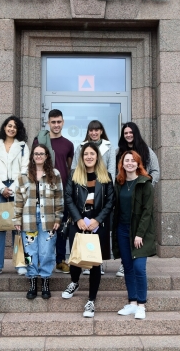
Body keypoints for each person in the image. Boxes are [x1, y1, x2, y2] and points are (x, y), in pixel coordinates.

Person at [61, 142, 114, 318]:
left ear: (97, 156)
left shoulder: (105, 176)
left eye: (92, 154)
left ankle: (91, 300)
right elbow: (68, 198)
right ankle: (74, 282)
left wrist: (97, 219)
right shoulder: (74, 174)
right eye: (86, 154)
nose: (89, 157)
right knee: (76, 259)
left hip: (97, 224)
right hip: (78, 222)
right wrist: (77, 218)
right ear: (82, 157)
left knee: (94, 263)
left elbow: (110, 201)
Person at [13, 144, 63, 299]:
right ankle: (33, 282)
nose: (39, 156)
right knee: (30, 252)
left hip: (48, 218)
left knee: (47, 251)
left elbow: (59, 198)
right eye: (36, 154)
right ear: (32, 156)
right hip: (28, 218)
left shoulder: (54, 174)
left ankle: (46, 282)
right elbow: (18, 199)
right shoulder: (23, 175)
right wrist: (17, 218)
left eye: (41, 153)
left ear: (47, 156)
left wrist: (58, 217)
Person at [112, 150, 155, 320]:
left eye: (132, 160)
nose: (129, 163)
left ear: (138, 164)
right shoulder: (119, 183)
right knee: (128, 267)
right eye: (126, 160)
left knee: (139, 267)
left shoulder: (145, 183)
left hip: (139, 232)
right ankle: (132, 302)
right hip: (122, 230)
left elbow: (147, 212)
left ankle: (141, 305)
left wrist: (139, 234)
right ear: (122, 164)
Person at [114, 121, 160, 278]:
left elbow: (156, 170)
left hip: (140, 196)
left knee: (139, 227)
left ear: (135, 133)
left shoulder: (146, 150)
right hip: (124, 192)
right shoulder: (118, 151)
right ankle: (124, 263)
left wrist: (145, 185)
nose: (128, 135)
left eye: (130, 132)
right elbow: (114, 171)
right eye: (125, 133)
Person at [0, 115, 30, 277]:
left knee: (17, 227)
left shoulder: (23, 146)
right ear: (4, 127)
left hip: (17, 188)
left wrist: (11, 189)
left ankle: (20, 264)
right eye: (9, 125)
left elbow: (25, 169)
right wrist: (1, 188)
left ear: (18, 130)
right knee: (0, 227)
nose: (12, 129)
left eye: (15, 127)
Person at [71, 120, 115, 274]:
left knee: (97, 235)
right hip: (84, 191)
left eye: (97, 130)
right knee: (84, 234)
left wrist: (107, 186)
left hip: (101, 190)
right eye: (91, 130)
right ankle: (85, 261)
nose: (94, 132)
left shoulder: (109, 147)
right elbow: (74, 168)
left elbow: (111, 170)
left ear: (101, 131)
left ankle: (96, 262)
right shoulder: (80, 147)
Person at [33, 109, 74, 274]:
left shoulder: (68, 144)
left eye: (59, 122)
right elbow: (33, 162)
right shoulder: (39, 141)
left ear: (63, 122)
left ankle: (60, 260)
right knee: (41, 227)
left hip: (61, 191)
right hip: (42, 191)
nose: (56, 125)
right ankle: (39, 260)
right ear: (48, 123)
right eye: (53, 122)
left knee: (61, 225)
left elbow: (69, 168)